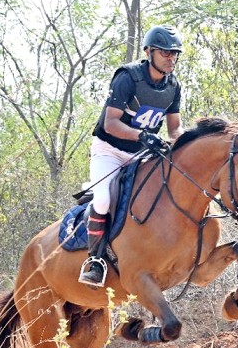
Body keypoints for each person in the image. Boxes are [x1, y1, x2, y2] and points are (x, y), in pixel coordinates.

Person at [78, 25, 184, 287]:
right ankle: (95, 259)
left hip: (141, 156)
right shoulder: (127, 78)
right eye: (165, 53)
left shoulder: (173, 86)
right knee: (103, 199)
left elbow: (174, 129)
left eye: (174, 54)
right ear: (149, 52)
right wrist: (141, 135)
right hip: (109, 151)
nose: (171, 58)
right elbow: (110, 123)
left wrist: (184, 145)